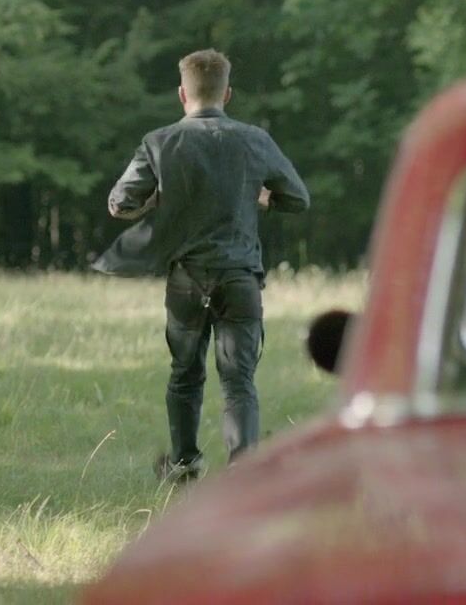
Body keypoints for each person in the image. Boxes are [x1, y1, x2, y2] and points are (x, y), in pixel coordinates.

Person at [93, 49, 310, 483]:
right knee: (238, 381)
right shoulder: (254, 139)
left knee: (184, 375)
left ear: (182, 93)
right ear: (227, 94)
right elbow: (298, 198)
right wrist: (262, 197)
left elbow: (119, 203)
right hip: (240, 277)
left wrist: (158, 200)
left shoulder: (159, 141)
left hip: (186, 280)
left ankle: (184, 463)